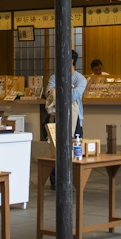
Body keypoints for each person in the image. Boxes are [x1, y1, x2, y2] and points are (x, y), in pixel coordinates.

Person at [47, 50, 87, 187]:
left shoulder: (80, 79)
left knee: (75, 149)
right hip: (58, 118)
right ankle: (55, 180)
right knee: (57, 148)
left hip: (76, 120)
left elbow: (74, 95)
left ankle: (73, 180)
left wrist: (60, 90)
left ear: (71, 61)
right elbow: (50, 93)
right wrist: (68, 89)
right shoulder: (54, 77)